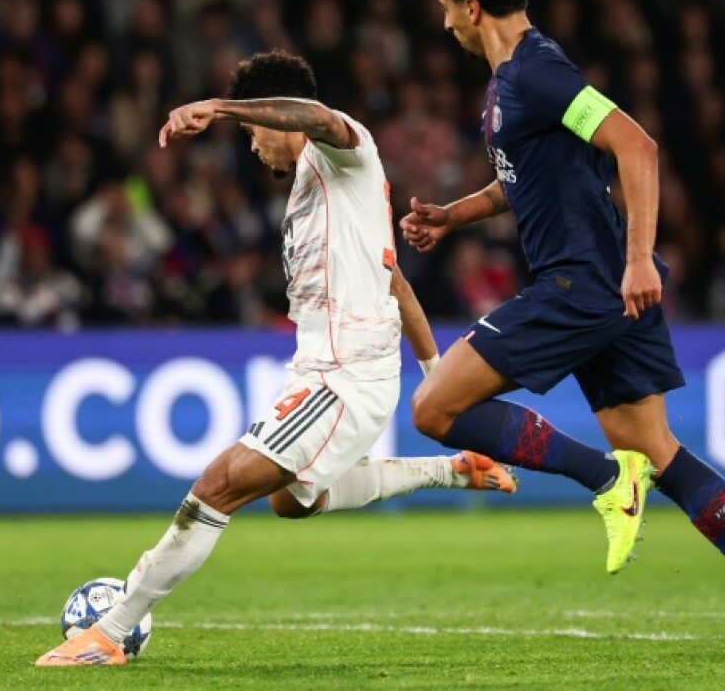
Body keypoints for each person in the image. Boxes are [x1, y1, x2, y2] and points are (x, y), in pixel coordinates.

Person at [400, 0, 725, 670]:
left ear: (472, 6)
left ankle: (604, 479)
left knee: (434, 409)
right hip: (602, 286)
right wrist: (451, 214)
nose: (443, 23)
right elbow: (522, 183)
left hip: (586, 282)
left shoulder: (537, 70)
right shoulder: (509, 85)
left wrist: (635, 260)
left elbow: (637, 145)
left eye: (445, 8)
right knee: (656, 450)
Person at [36, 50, 517, 667]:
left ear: (277, 116)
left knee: (216, 487)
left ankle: (108, 633)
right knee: (293, 500)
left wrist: (218, 105)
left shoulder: (344, 151)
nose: (250, 144)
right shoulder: (312, 199)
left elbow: (317, 117)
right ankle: (454, 470)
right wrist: (434, 375)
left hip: (346, 378)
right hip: (323, 373)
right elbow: (395, 282)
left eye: (250, 129)